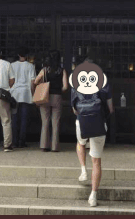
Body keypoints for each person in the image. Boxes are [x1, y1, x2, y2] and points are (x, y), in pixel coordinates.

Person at [70, 62, 114, 207]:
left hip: (81, 121)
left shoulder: (76, 83)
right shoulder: (103, 82)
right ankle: (93, 196)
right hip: (99, 123)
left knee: (81, 143)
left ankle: (83, 171)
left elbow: (74, 110)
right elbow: (110, 108)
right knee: (96, 160)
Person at [33, 50, 67, 152]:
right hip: (57, 97)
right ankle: (55, 147)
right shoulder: (62, 71)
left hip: (45, 96)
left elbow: (35, 81)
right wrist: (58, 90)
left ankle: (44, 145)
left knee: (45, 121)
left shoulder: (44, 70)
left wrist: (43, 84)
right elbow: (65, 87)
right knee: (56, 122)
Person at [10, 46, 36, 148]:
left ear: (18, 55)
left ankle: (14, 140)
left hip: (14, 93)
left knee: (14, 118)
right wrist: (33, 94)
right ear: (27, 55)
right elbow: (32, 82)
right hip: (26, 93)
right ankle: (22, 141)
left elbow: (10, 80)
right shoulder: (30, 66)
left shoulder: (12, 65)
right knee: (24, 119)